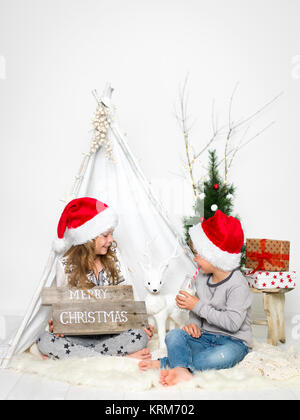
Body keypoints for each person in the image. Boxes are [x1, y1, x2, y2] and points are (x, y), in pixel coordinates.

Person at [139, 210, 253, 386]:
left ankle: (168, 364)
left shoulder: (238, 284)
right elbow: (197, 313)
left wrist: (197, 306)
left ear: (214, 256)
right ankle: (181, 369)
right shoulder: (201, 277)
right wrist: (194, 325)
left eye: (198, 254)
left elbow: (233, 324)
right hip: (205, 337)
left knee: (218, 358)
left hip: (233, 342)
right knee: (175, 336)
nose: (195, 259)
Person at [37, 197, 153, 361]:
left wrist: (140, 322)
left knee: (140, 336)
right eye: (105, 235)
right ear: (88, 239)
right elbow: (62, 305)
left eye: (111, 235)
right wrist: (57, 322)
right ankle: (116, 357)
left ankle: (77, 357)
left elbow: (130, 294)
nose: (111, 240)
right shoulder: (64, 265)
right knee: (44, 340)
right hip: (80, 335)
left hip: (113, 332)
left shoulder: (116, 258)